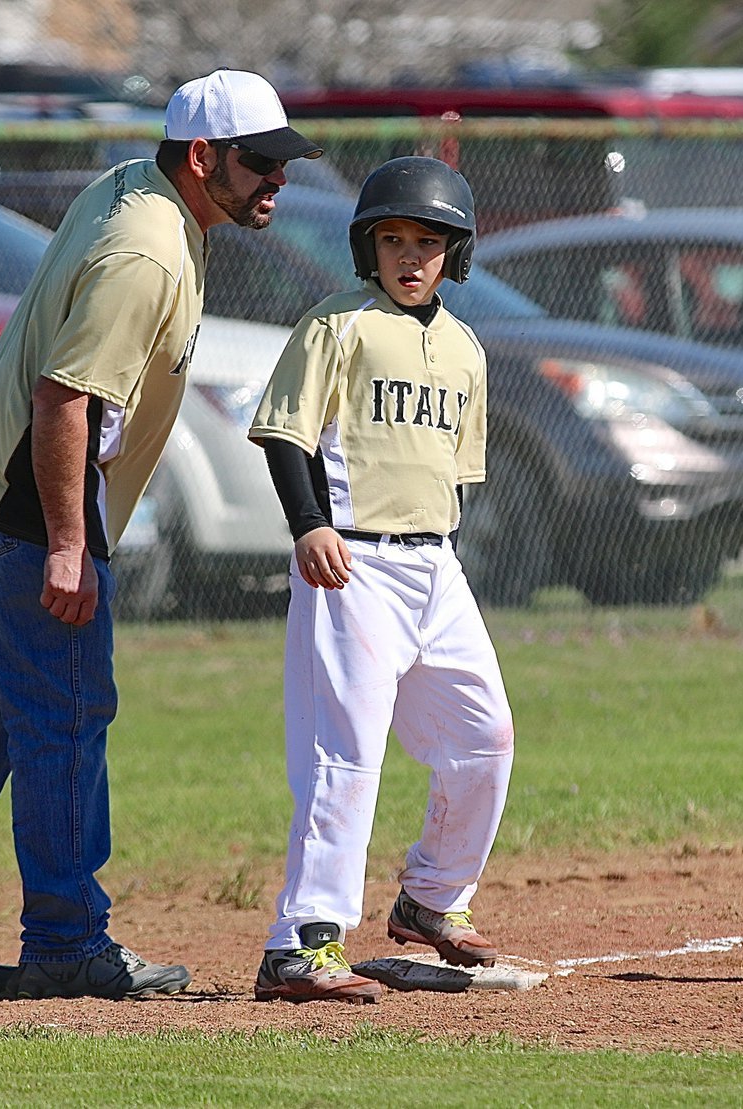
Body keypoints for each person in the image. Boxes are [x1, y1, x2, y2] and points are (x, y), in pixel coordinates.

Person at [0, 69, 322, 1001]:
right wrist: (69, 544)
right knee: (65, 720)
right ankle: (67, 938)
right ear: (202, 158)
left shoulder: (134, 185)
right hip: (26, 510)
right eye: (261, 162)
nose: (279, 179)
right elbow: (66, 397)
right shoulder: (148, 252)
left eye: (282, 161)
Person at [247, 157, 515, 1004]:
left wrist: (444, 560)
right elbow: (286, 433)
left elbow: (454, 475)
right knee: (345, 755)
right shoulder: (338, 325)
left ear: (453, 255)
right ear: (368, 245)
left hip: (436, 565)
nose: (409, 254)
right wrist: (308, 525)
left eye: (427, 241)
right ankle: (302, 942)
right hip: (352, 561)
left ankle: (433, 897)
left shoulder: (466, 348)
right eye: (392, 237)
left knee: (484, 738)